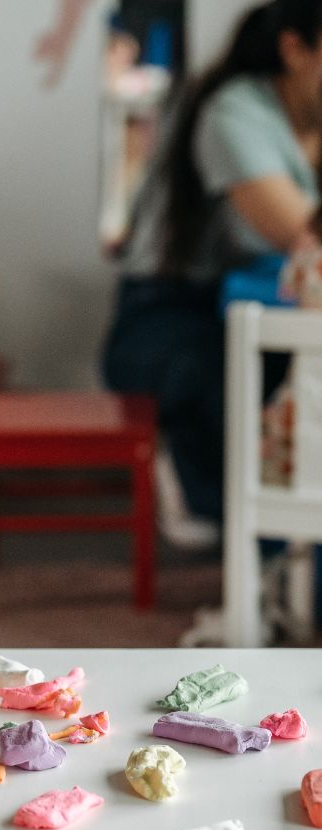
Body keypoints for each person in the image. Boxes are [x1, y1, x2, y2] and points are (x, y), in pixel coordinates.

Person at [102, 0, 322, 543]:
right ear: (294, 50)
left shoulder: (308, 122)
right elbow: (303, 235)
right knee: (243, 380)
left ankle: (262, 524)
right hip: (162, 316)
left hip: (237, 302)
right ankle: (230, 509)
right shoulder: (233, 113)